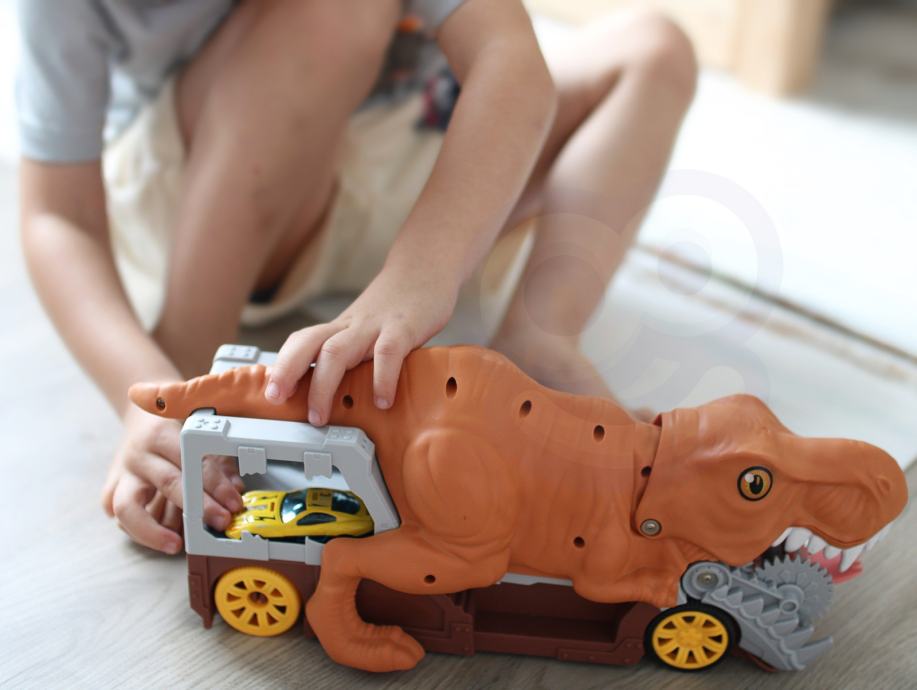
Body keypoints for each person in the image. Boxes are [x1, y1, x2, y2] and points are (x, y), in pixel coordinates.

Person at [17, 0, 696, 555]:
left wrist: (418, 273)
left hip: (394, 152)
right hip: (215, 182)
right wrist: (147, 394)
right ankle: (189, 370)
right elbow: (58, 216)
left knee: (652, 49)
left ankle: (539, 339)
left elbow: (509, 61)